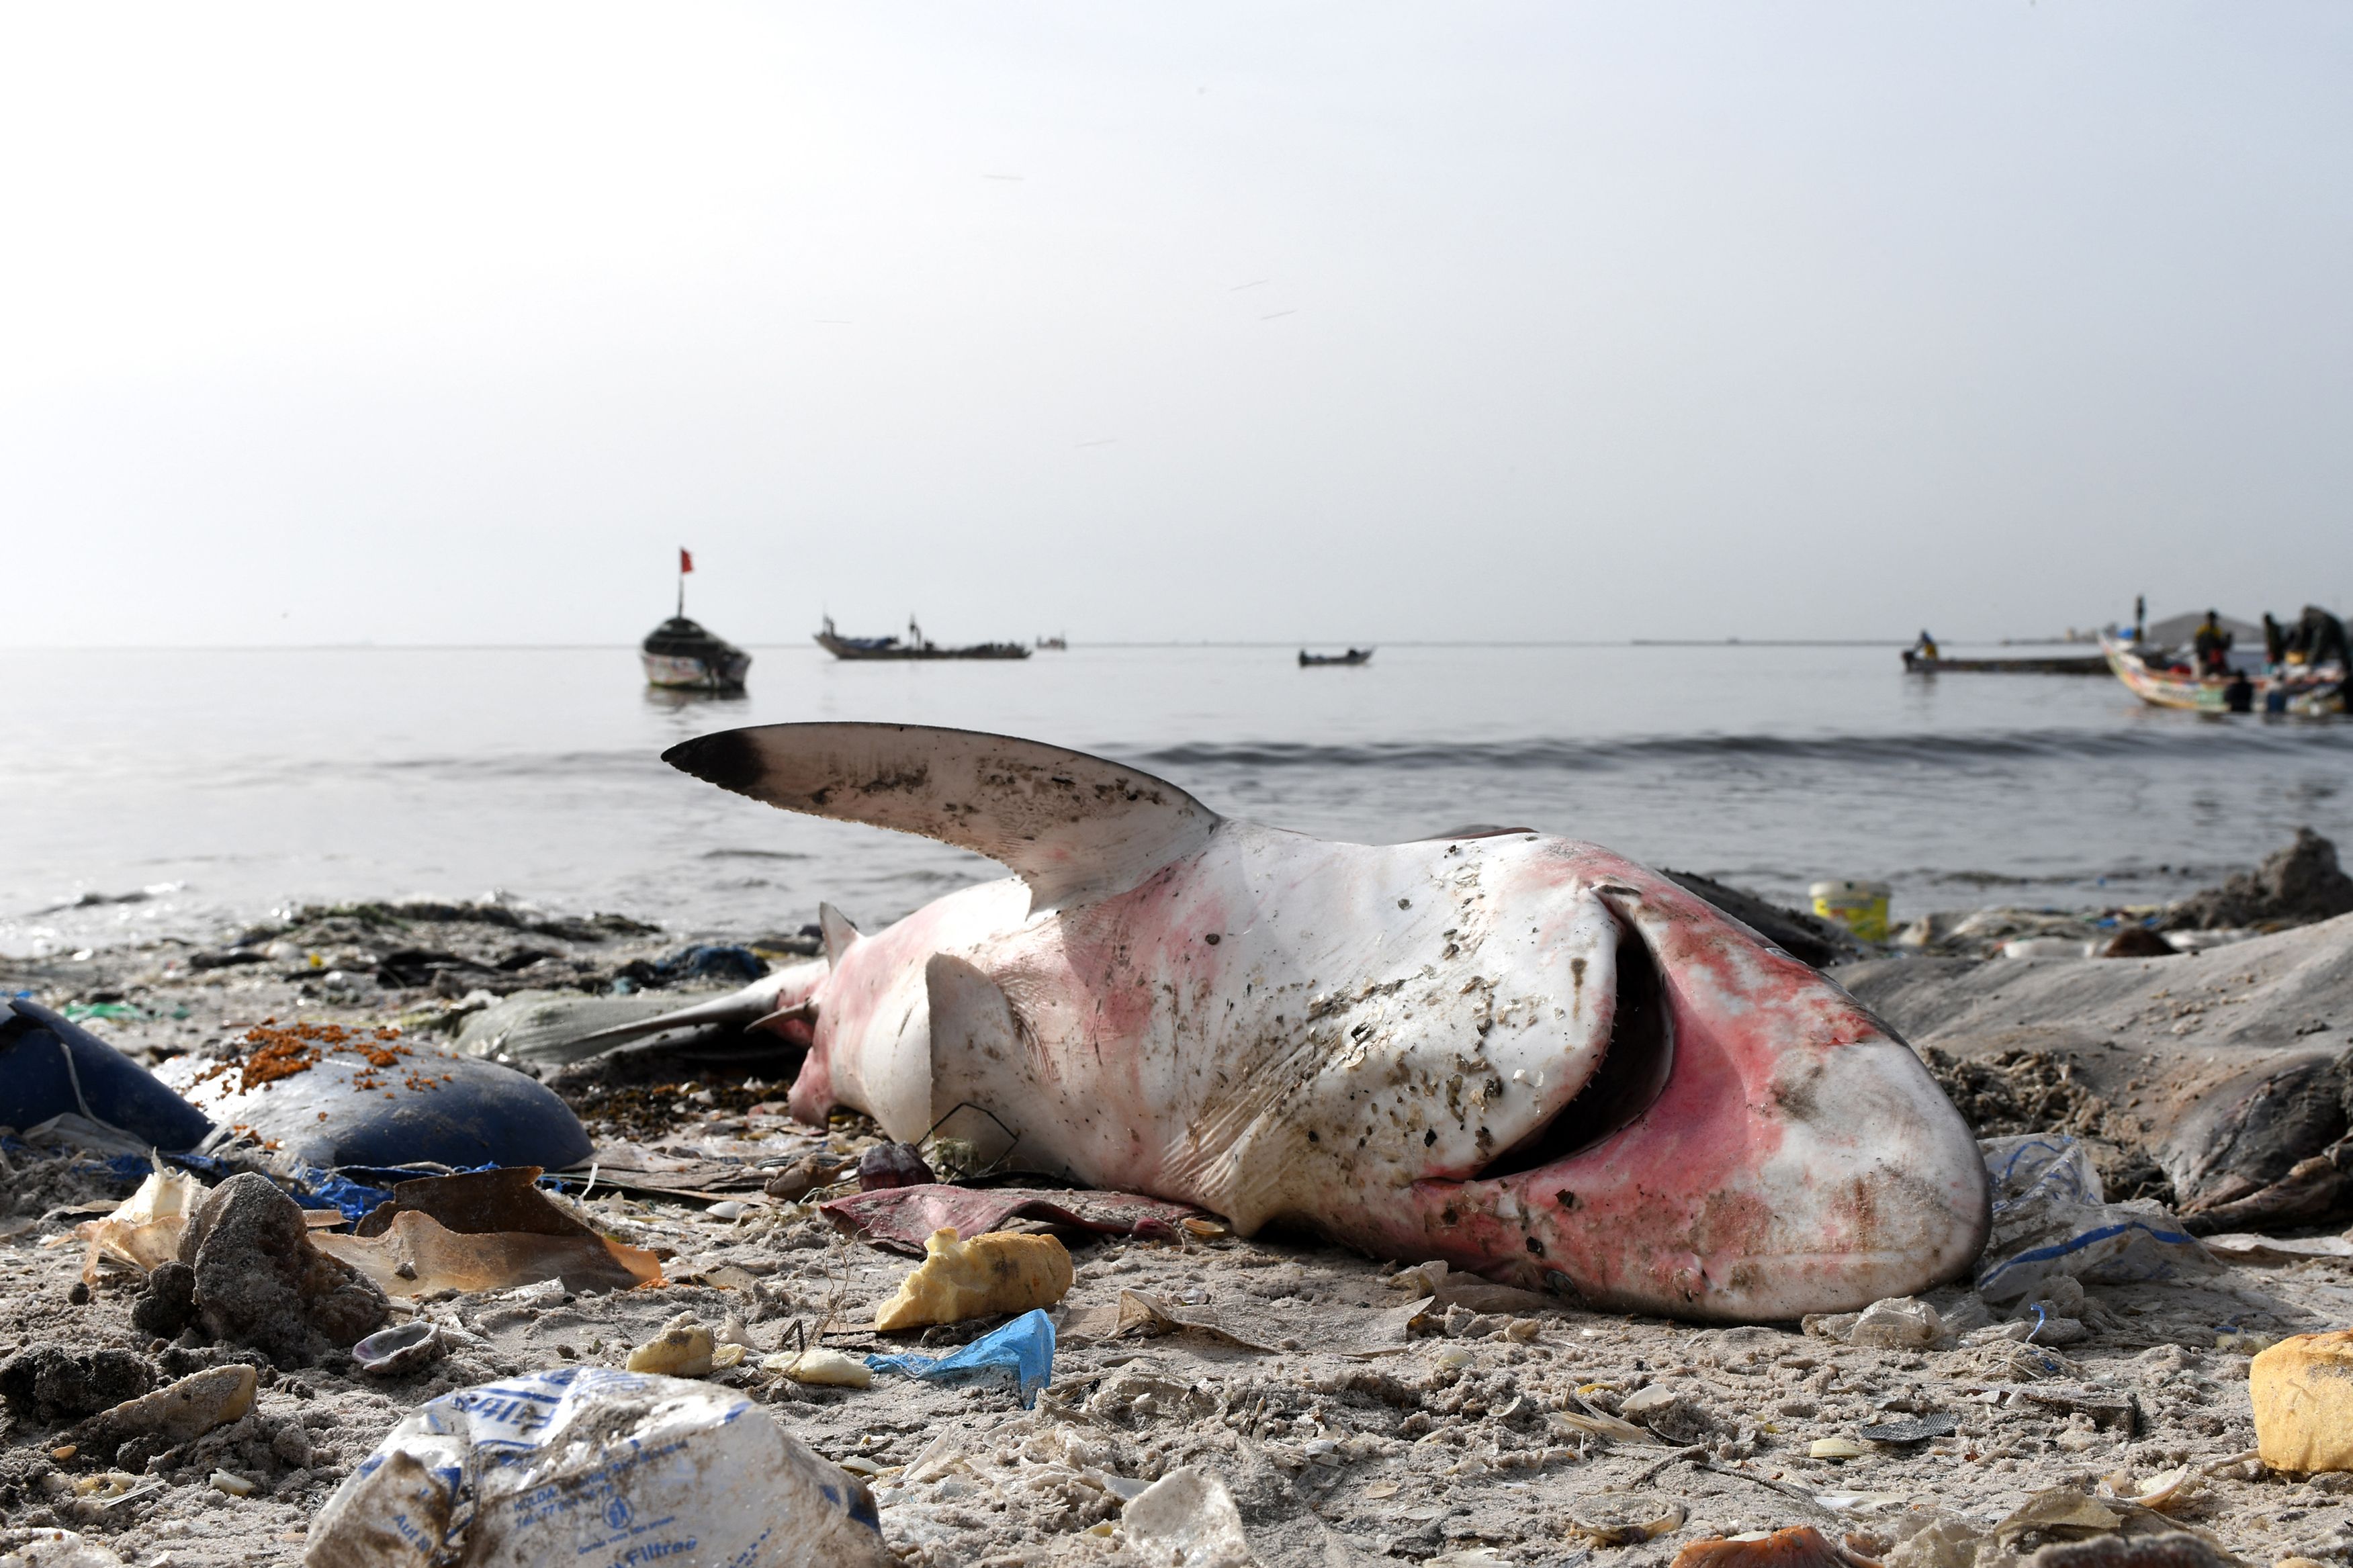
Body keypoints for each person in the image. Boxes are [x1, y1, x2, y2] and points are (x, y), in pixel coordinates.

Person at [2192, 610, 2231, 678]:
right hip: (2203, 658)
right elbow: (2197, 642)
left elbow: (2221, 646)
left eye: (2213, 619)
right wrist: (2199, 652)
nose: (2211, 620)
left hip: (2214, 659)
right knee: (2200, 673)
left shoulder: (2218, 630)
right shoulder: (2202, 629)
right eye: (2210, 618)